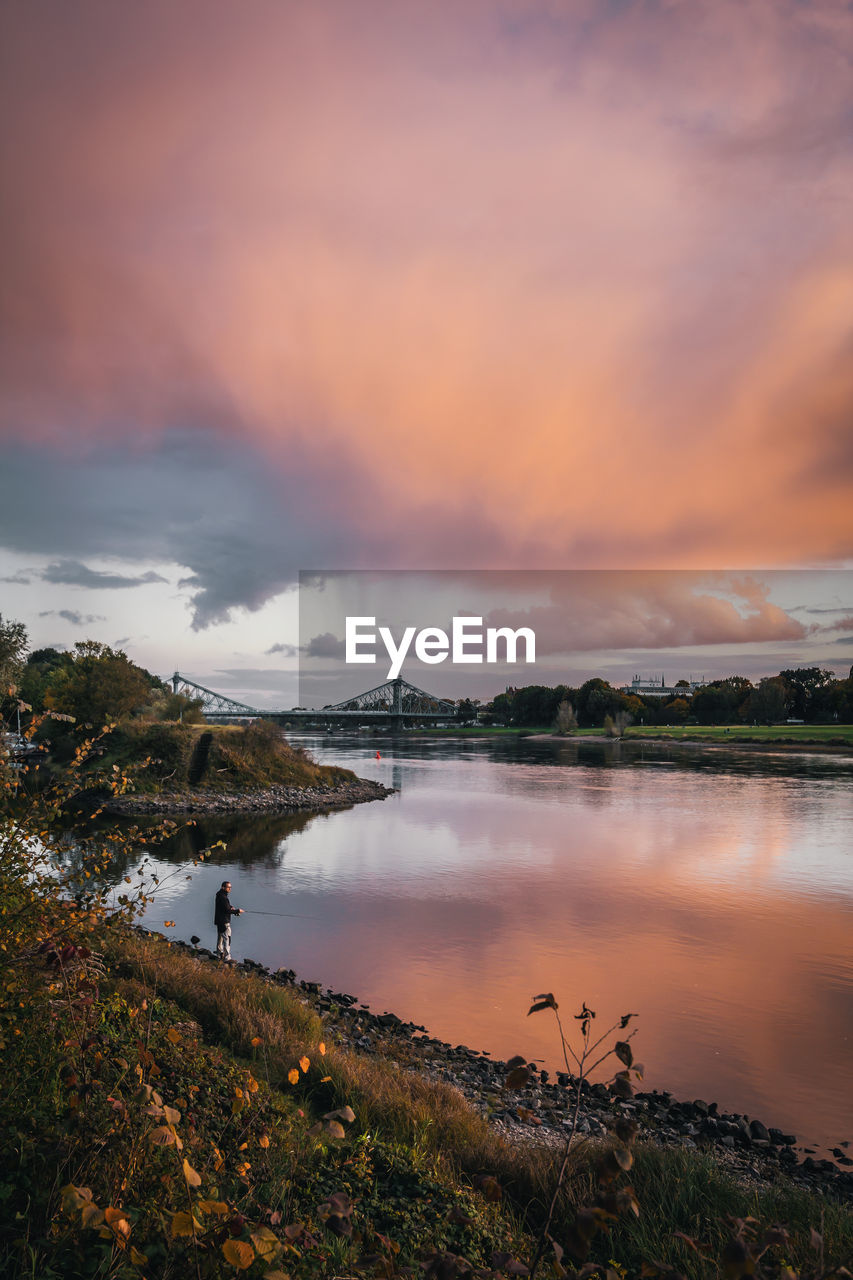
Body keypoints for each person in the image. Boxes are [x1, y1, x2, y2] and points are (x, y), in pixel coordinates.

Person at [214, 880, 243, 961]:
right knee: (227, 939)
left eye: (230, 887)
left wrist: (231, 907)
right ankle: (227, 958)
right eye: (228, 887)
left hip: (219, 921)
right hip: (224, 922)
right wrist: (237, 911)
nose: (230, 889)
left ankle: (219, 954)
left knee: (220, 938)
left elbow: (225, 907)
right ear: (223, 887)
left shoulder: (219, 895)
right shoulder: (223, 897)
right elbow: (227, 911)